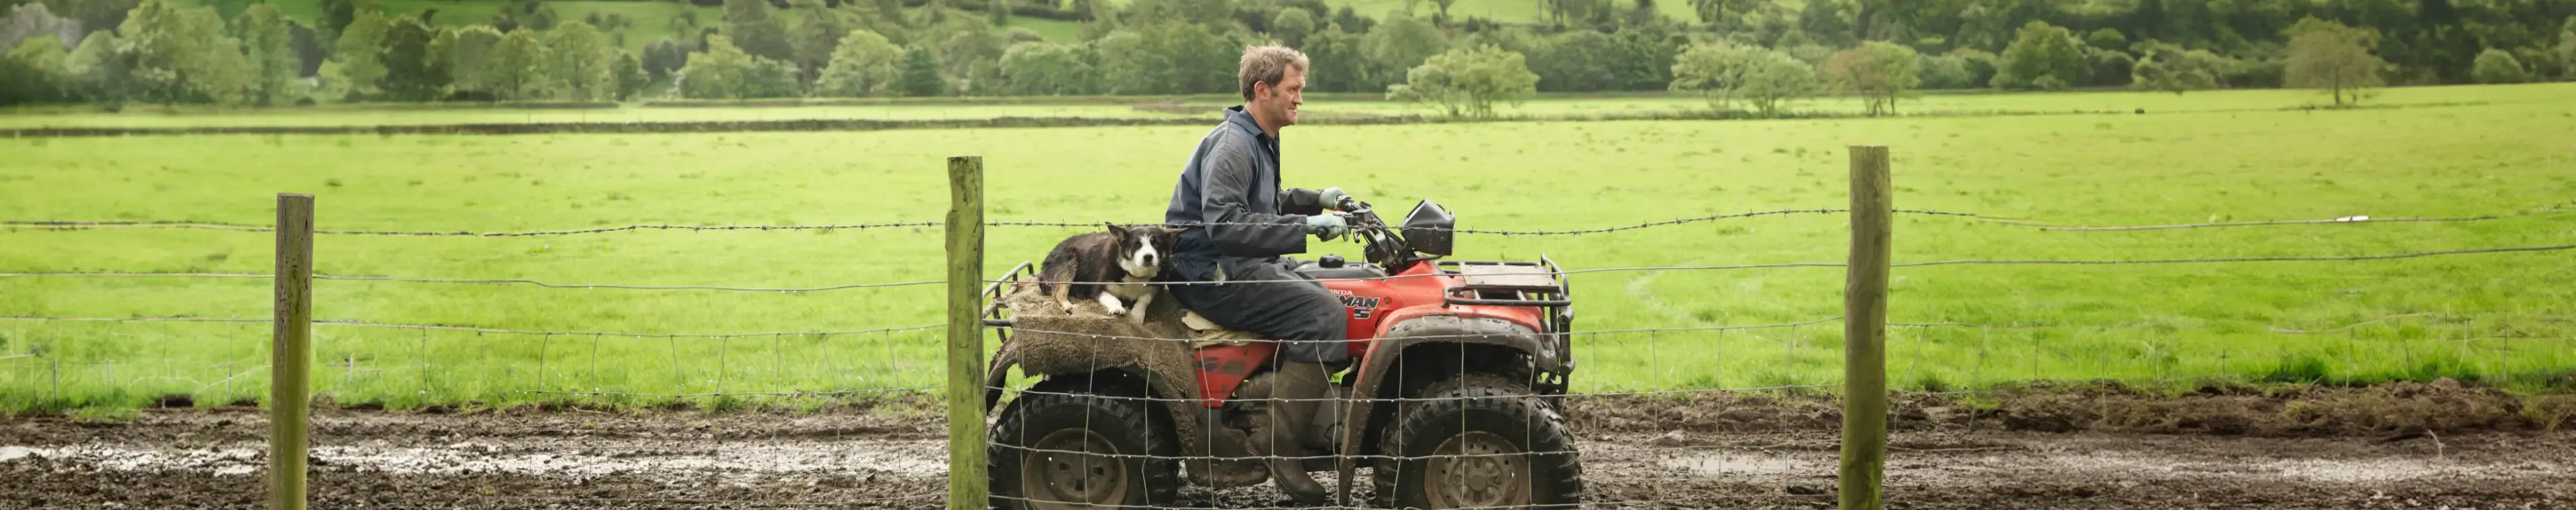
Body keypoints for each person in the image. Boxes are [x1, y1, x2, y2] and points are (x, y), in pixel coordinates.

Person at [1159, 44, 1348, 505]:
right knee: (1325, 317)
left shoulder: (1259, 138)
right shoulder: (1233, 146)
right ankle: (1280, 448)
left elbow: (1263, 204)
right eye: (1293, 90)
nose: (1300, 100)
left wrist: (1316, 199)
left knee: (1340, 286)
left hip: (1236, 263)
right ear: (1262, 90)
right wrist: (1306, 227)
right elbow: (1226, 226)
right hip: (1211, 272)